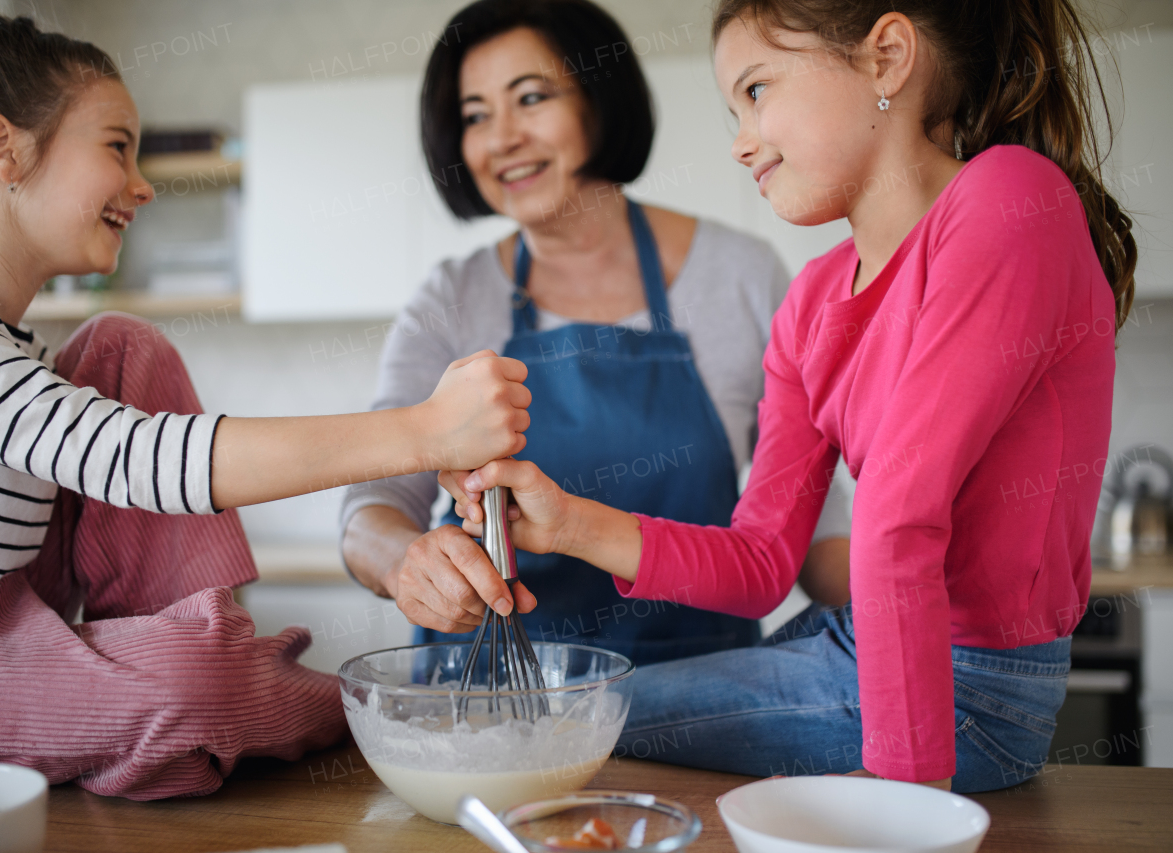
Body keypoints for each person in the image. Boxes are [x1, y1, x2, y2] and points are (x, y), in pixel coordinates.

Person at [439, 0, 1134, 793]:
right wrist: (570, 523)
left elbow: (899, 512)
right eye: (731, 108)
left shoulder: (1009, 199)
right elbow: (763, 561)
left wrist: (911, 813)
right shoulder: (811, 302)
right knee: (571, 713)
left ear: (888, 58)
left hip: (971, 692)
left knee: (554, 716)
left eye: (757, 90)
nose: (740, 140)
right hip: (852, 644)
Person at [0, 16, 530, 800]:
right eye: (117, 146)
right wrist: (427, 431)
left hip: (3, 629)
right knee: (205, 681)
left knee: (124, 347)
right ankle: (269, 695)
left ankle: (210, 674)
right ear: (1, 150)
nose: (142, 182)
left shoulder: (8, 346)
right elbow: (133, 456)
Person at [340, 0, 852, 667]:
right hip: (498, 695)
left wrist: (923, 604)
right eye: (474, 115)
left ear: (599, 99)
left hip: (700, 692)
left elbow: (815, 512)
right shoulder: (450, 299)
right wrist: (401, 562)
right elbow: (373, 503)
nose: (501, 139)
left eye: (530, 98)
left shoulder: (739, 275)